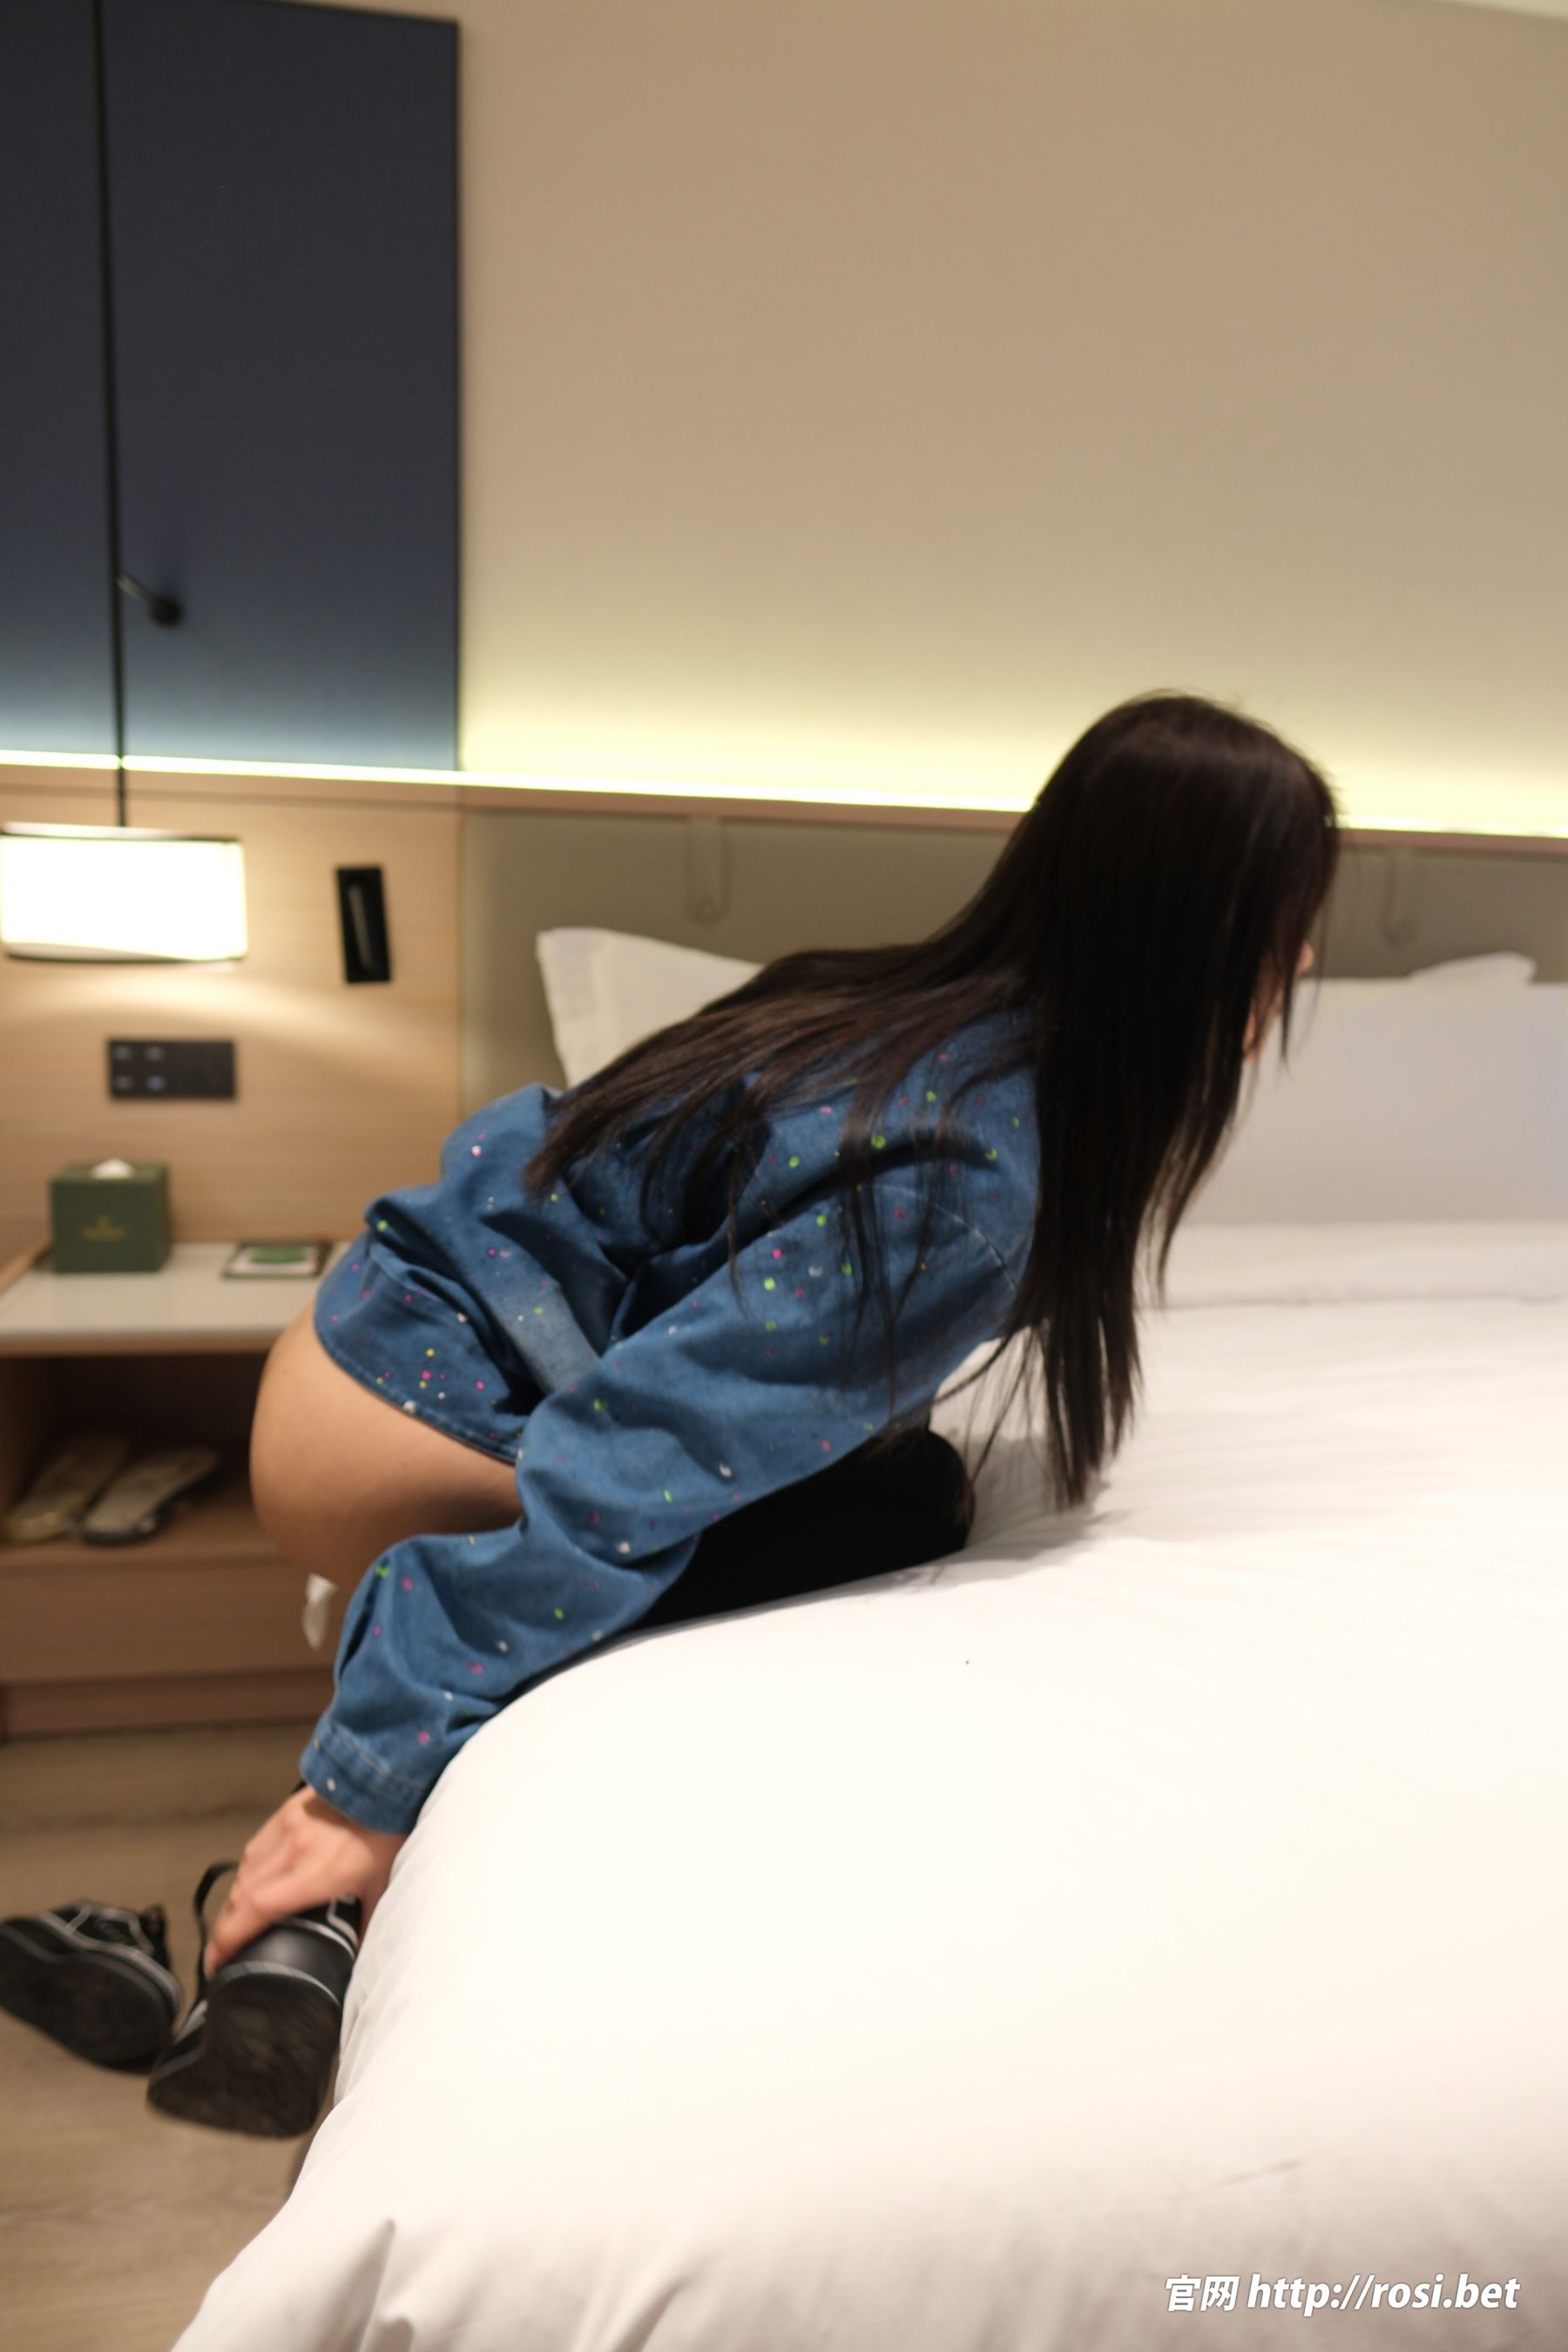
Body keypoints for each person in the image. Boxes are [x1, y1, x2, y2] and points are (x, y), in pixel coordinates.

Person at [196, 686, 1338, 2058]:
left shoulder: (878, 998)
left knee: (899, 1476)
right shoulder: (973, 1183)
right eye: (1286, 927)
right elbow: (638, 1454)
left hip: (369, 1323)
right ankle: (285, 1915)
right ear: (1198, 941)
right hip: (405, 1425)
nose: (1302, 960)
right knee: (897, 1515)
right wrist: (358, 1785)